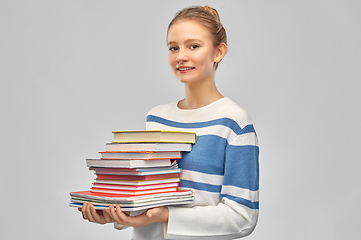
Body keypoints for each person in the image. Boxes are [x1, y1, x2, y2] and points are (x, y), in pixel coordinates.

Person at [80, 5, 259, 240]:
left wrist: (166, 215)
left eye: (193, 46)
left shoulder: (235, 123)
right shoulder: (156, 118)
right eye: (173, 48)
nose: (180, 56)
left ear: (218, 52)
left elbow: (242, 218)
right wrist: (115, 212)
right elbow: (148, 195)